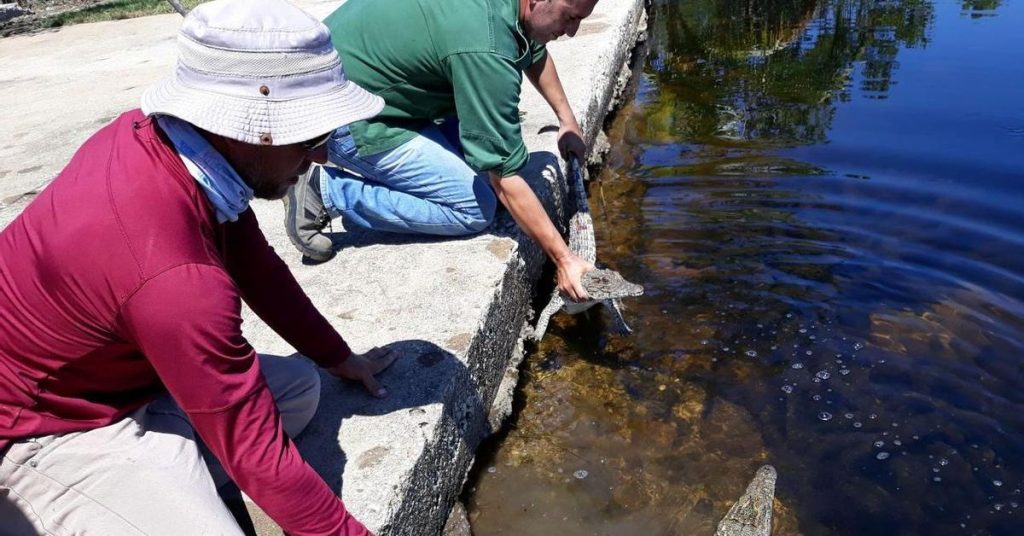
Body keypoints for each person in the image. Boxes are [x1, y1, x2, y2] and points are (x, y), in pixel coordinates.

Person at [0, 0, 394, 534]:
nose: (322, 157)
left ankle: (157, 477)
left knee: (301, 388)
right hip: (40, 427)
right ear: (245, 128)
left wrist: (335, 354)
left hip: (123, 376)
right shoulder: (173, 278)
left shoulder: (177, 146)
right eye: (310, 137)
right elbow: (257, 452)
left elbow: (257, 268)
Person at [284, 0, 599, 301]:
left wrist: (567, 121)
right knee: (474, 207)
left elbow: (534, 51)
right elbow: (503, 172)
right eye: (570, 17)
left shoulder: (514, 10)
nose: (572, 31)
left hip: (350, 80)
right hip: (335, 112)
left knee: (490, 167)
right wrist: (564, 259)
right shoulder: (486, 45)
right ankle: (327, 193)